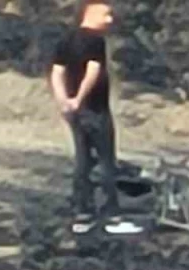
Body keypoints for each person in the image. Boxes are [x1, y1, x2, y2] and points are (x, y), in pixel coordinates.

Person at [49, 0, 142, 236]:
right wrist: (80, 98)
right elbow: (93, 71)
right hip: (95, 109)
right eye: (106, 15)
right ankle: (112, 216)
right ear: (90, 14)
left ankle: (83, 214)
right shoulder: (95, 41)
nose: (110, 20)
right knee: (106, 161)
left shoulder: (65, 39)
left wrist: (64, 101)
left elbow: (57, 73)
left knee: (82, 161)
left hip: (75, 112)